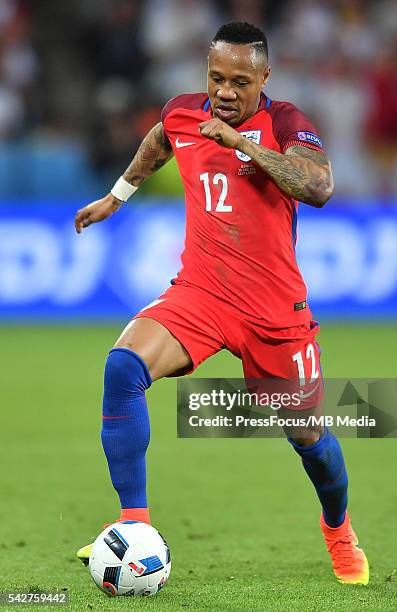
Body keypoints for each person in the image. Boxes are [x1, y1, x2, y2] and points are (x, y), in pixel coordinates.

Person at [75, 22, 369, 585]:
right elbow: (163, 137)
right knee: (123, 366)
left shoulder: (285, 123)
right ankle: (133, 525)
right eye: (216, 78)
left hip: (274, 313)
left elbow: (319, 187)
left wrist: (243, 144)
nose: (225, 92)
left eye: (239, 80)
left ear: (264, 78)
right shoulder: (186, 111)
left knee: (309, 438)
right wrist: (117, 195)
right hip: (202, 295)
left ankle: (339, 528)